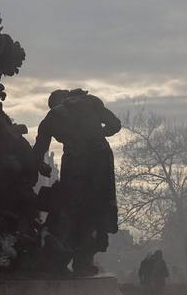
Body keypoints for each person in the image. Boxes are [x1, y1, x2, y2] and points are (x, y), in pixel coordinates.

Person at [32, 89, 122, 277]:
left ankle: (60, 257)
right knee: (96, 209)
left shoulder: (52, 117)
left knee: (70, 209)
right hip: (101, 160)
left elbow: (39, 149)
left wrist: (41, 166)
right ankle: (84, 261)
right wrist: (97, 135)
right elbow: (115, 124)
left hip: (75, 162)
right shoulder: (91, 102)